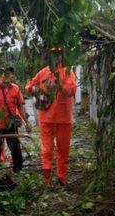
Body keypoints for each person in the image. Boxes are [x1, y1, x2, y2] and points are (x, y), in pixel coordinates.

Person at [25, 47, 77, 187]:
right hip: (46, 116)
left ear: (61, 56)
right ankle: (47, 179)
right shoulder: (43, 72)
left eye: (58, 54)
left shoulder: (68, 72)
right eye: (53, 53)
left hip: (64, 117)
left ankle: (61, 177)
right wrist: (34, 88)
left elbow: (72, 91)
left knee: (63, 149)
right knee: (47, 149)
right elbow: (29, 86)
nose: (56, 56)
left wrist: (59, 84)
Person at [0, 67, 32, 173]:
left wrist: (27, 122)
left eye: (10, 74)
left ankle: (18, 168)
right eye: (5, 74)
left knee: (15, 147)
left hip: (11, 125)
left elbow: (21, 106)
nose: (8, 76)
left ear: (12, 76)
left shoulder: (16, 88)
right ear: (0, 76)